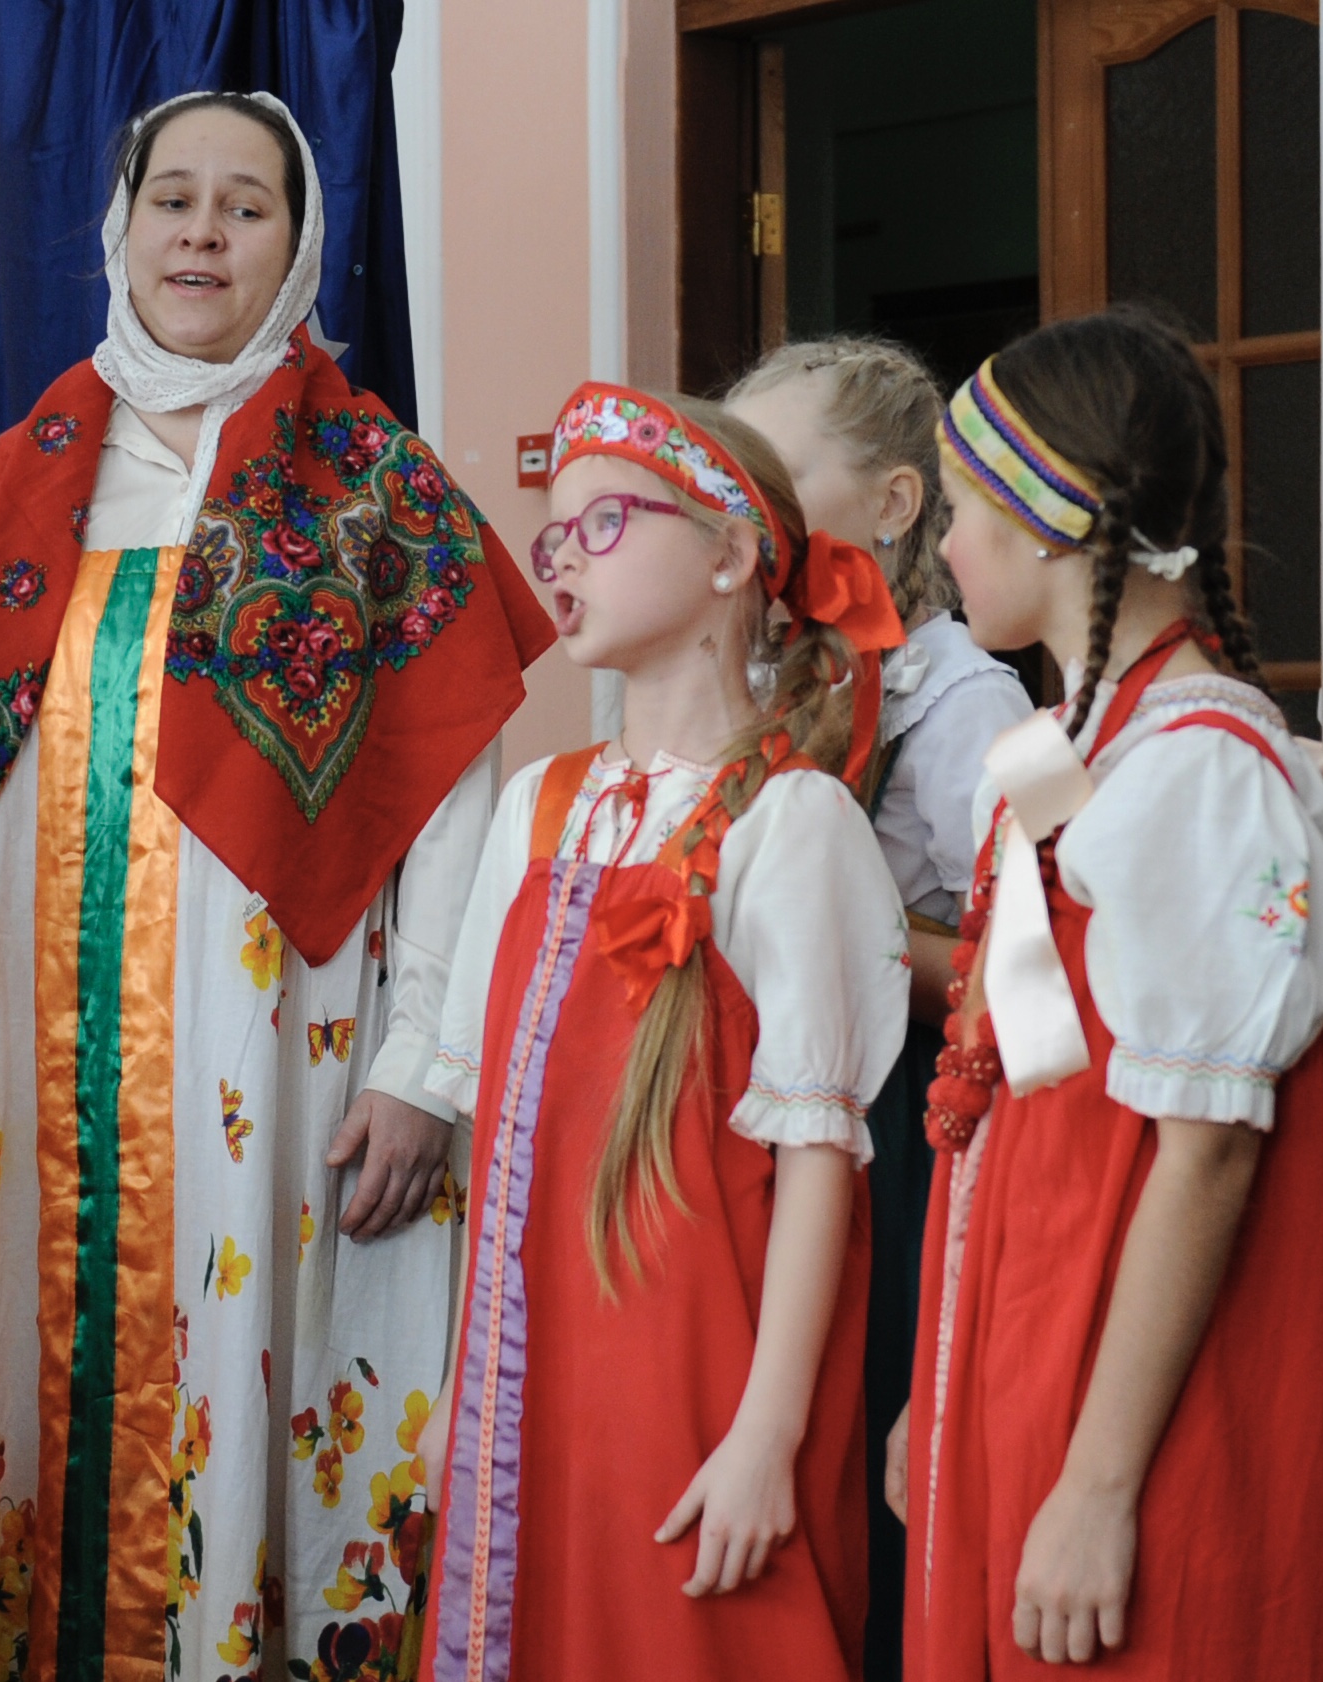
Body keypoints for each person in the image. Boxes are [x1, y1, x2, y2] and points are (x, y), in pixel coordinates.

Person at [0, 89, 554, 1675]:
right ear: (120, 230)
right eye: (173, 199)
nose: (202, 234)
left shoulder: (375, 485)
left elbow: (457, 796)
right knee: (16, 1370)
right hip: (23, 1050)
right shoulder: (32, 464)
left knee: (260, 1366)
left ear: (297, 245)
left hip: (277, 1059)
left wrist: (427, 1063)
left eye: (246, 206)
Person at [417, 385, 907, 1681]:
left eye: (605, 521)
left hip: (700, 1386)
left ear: (731, 554)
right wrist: (464, 1384)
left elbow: (817, 1162)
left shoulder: (790, 824)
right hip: (537, 1381)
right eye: (552, 530)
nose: (562, 554)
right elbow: (496, 1151)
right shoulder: (535, 807)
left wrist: (766, 1433)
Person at [899, 309, 1323, 1677]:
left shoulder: (1196, 771)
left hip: (1133, 1387)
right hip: (1042, 1327)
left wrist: (1098, 1485)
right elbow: (1034, 1066)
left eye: (962, 507)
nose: (945, 546)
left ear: (1050, 517)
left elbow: (1205, 1151)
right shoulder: (1082, 746)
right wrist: (947, 1388)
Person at [725, 339, 1029, 1682]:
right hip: (763, 1096)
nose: (749, 503)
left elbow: (1021, 967)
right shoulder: (766, 671)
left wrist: (848, 925)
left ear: (895, 504)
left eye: (778, 475)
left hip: (896, 1117)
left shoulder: (960, 700)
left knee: (865, 1418)